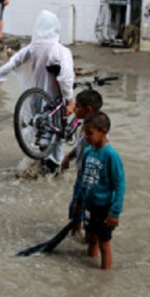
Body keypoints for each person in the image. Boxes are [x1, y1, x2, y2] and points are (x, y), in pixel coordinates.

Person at [0, 10, 74, 172]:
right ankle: (53, 169)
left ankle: (42, 159)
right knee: (58, 134)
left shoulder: (32, 48)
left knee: (41, 131)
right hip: (53, 98)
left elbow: (13, 63)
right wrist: (69, 100)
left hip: (36, 98)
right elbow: (66, 77)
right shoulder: (60, 51)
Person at [71, 112, 125, 270]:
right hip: (89, 204)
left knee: (104, 243)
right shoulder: (88, 152)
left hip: (104, 207)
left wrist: (115, 213)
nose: (86, 137)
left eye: (90, 133)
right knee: (91, 237)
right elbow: (83, 179)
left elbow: (120, 185)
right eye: (84, 132)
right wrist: (79, 201)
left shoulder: (111, 155)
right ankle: (89, 269)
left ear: (103, 131)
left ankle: (104, 275)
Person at [60, 89, 104, 235]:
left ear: (88, 110)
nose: (74, 109)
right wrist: (69, 156)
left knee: (80, 209)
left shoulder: (94, 133)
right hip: (82, 175)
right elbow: (79, 147)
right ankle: (77, 234)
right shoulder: (86, 126)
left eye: (77, 106)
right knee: (77, 208)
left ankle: (79, 235)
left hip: (89, 178)